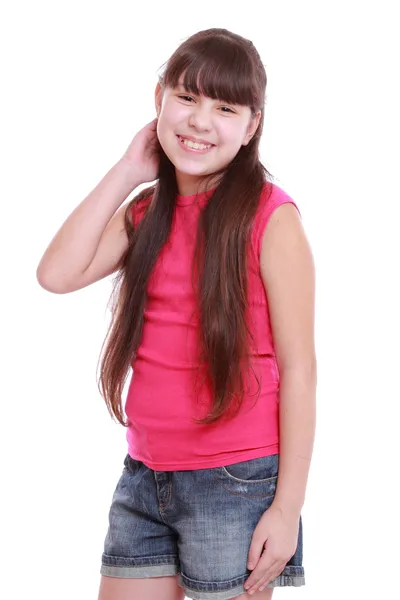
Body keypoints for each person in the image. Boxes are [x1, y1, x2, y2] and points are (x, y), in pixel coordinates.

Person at [36, 27, 316, 600]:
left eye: (225, 107)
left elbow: (301, 368)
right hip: (144, 478)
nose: (199, 121)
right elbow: (56, 275)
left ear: (251, 126)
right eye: (186, 98)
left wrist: (287, 508)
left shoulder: (271, 217)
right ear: (159, 98)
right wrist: (127, 170)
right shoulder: (147, 212)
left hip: (235, 482)